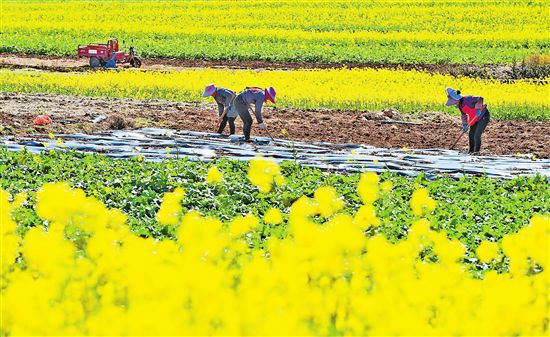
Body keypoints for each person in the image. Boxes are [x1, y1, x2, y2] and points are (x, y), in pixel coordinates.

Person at [446, 88, 490, 154]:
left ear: (457, 99)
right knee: (471, 134)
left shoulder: (467, 99)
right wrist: (464, 125)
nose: (454, 104)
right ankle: (471, 151)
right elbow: (464, 116)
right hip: (474, 118)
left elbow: (480, 98)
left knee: (476, 135)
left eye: (454, 102)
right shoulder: (460, 106)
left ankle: (476, 152)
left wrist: (478, 108)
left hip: (483, 116)